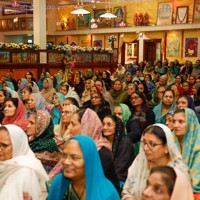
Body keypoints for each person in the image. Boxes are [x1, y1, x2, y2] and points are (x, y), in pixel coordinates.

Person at [121, 124, 189, 200]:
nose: (146, 148)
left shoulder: (178, 172)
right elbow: (126, 191)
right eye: (144, 143)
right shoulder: (140, 160)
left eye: (152, 144)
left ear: (166, 147)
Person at [48, 135, 120, 200]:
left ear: (89, 161)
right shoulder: (59, 183)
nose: (66, 162)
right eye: (64, 155)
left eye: (74, 157)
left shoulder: (105, 194)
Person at [0, 124, 48, 200]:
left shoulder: (24, 171)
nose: (0, 149)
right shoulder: (3, 164)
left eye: (4, 145)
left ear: (17, 145)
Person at [173, 108, 200, 199]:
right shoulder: (169, 140)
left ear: (190, 123)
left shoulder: (198, 143)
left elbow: (196, 178)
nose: (176, 125)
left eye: (181, 121)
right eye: (174, 121)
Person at [102, 115, 135, 183]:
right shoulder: (103, 142)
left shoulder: (125, 143)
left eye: (109, 124)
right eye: (103, 124)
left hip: (123, 179)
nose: (104, 127)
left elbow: (121, 169)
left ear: (117, 126)